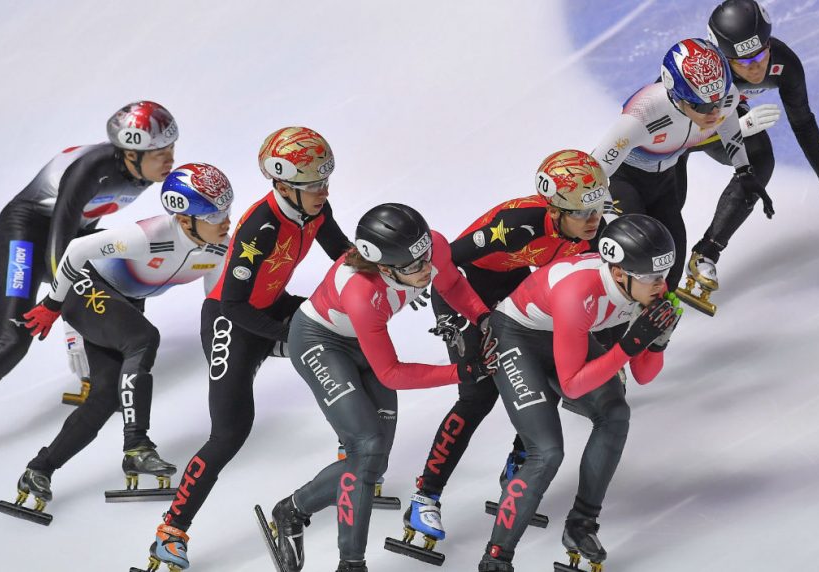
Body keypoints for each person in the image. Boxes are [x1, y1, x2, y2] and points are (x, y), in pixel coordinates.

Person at [0, 101, 178, 486]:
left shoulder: (139, 171)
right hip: (25, 235)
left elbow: (83, 232)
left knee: (125, 268)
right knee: (13, 338)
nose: (170, 160)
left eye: (171, 150)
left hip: (66, 238)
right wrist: (57, 303)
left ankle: (103, 373)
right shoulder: (92, 168)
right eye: (161, 154)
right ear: (131, 153)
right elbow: (59, 236)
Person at [139, 127, 351, 572]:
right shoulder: (262, 225)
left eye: (325, 182)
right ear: (281, 183)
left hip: (271, 307)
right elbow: (234, 305)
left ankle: (351, 462)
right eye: (313, 184)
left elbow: (343, 254)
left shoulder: (315, 209)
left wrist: (387, 269)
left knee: (351, 340)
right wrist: (284, 333)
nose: (322, 192)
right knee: (230, 433)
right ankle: (170, 532)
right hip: (229, 323)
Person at [261, 203, 493, 572]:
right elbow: (392, 374)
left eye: (427, 258)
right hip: (319, 340)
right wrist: (460, 372)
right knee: (367, 448)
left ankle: (291, 510)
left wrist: (483, 318)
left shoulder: (428, 247)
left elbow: (450, 282)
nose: (426, 270)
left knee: (374, 462)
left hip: (360, 339)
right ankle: (351, 564)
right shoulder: (361, 291)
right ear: (384, 267)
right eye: (415, 267)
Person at [0, 163, 233, 521]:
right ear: (184, 220)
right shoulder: (147, 235)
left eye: (227, 209)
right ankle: (137, 445)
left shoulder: (217, 249)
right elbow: (75, 251)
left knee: (105, 396)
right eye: (216, 214)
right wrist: (52, 305)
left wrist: (220, 349)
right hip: (86, 289)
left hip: (122, 305)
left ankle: (39, 469)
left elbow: (214, 304)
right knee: (145, 338)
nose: (226, 221)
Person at [404, 149, 608, 547]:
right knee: (478, 394)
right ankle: (424, 495)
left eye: (598, 207)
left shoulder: (593, 230)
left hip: (516, 288)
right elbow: (448, 260)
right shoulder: (517, 225)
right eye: (583, 212)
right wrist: (444, 309)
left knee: (540, 374)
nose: (594, 220)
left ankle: (517, 470)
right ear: (555, 209)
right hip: (463, 288)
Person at [477, 214, 682, 572]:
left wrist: (657, 342)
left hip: (563, 337)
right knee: (546, 452)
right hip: (516, 336)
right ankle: (496, 559)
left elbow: (645, 376)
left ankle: (581, 524)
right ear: (619, 273)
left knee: (616, 414)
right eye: (651, 277)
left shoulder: (646, 285)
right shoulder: (579, 291)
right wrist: (632, 343)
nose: (660, 285)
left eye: (663, 274)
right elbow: (572, 383)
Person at [675, 0, 819, 307]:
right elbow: (675, 137)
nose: (756, 67)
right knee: (665, 210)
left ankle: (706, 253)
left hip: (725, 117)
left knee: (759, 157)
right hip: (674, 135)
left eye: (760, 53)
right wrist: (737, 126)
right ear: (723, 57)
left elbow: (803, 121)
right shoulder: (697, 71)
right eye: (743, 61)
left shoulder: (784, 63)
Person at [590, 38, 765, 305]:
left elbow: (727, 118)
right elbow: (593, 171)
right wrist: (609, 216)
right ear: (676, 94)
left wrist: (743, 169)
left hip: (665, 183)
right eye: (703, 105)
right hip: (624, 182)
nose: (713, 111)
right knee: (635, 260)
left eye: (718, 101)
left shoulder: (722, 96)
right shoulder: (644, 112)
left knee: (669, 266)